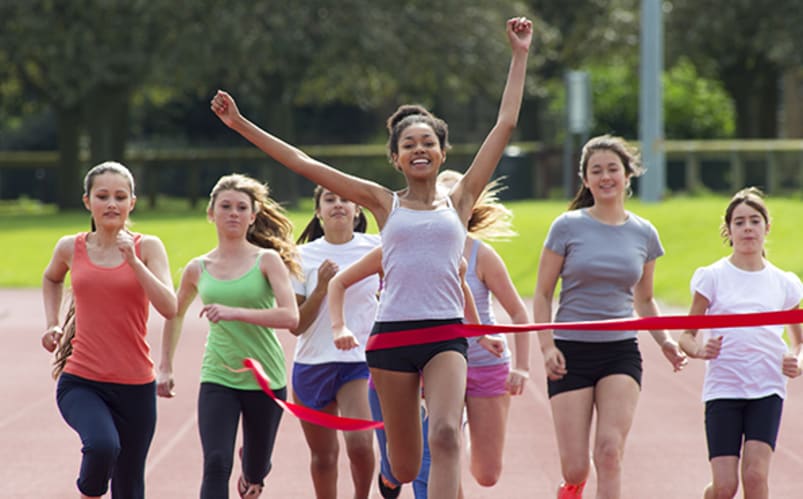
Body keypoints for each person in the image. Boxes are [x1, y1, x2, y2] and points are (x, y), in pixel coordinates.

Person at [210, 17, 532, 498]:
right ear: (396, 158)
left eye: (428, 143)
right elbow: (302, 162)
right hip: (391, 339)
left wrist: (519, 54)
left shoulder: (461, 199)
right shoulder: (384, 202)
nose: (419, 150)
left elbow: (505, 124)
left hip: (445, 333)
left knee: (444, 436)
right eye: (409, 145)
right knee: (403, 464)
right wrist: (240, 125)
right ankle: (390, 473)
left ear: (442, 153)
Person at [532, 135, 687, 499]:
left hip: (620, 352)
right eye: (596, 170)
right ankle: (571, 486)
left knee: (609, 452)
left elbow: (644, 299)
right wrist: (547, 346)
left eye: (613, 169)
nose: (605, 177)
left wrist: (664, 341)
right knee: (575, 467)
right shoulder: (566, 226)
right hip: (571, 353)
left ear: (627, 175)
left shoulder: (644, 233)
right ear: (585, 180)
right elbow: (541, 293)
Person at [156, 173, 299, 498]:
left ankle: (253, 472)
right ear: (211, 213)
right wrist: (165, 366)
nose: (233, 213)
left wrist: (235, 313)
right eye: (225, 206)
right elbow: (174, 313)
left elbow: (291, 316)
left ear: (253, 215)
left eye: (241, 207)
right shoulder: (198, 268)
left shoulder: (267, 260)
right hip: (218, 374)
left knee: (257, 465)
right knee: (216, 462)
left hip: (265, 375)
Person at [41, 161, 177, 499]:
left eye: (120, 196)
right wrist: (52, 322)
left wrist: (133, 262)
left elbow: (169, 306)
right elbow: (51, 277)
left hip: (136, 386)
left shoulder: (148, 248)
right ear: (88, 201)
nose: (111, 204)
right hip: (82, 381)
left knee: (129, 486)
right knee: (102, 447)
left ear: (132, 202)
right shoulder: (71, 247)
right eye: (102, 196)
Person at [678, 187, 803, 499]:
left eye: (755, 221)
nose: (748, 227)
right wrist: (699, 351)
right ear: (729, 230)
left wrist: (797, 360)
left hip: (767, 388)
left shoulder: (784, 283)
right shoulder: (713, 277)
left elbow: (800, 342)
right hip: (724, 389)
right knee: (724, 487)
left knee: (755, 476)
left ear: (766, 227)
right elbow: (686, 336)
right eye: (740, 222)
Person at [288, 185, 380, 499]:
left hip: (359, 362)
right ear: (318, 211)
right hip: (312, 363)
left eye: (345, 199)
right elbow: (297, 325)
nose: (338, 204)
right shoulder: (301, 256)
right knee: (324, 457)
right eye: (329, 199)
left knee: (360, 444)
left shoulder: (377, 247)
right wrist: (322, 287)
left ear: (358, 211)